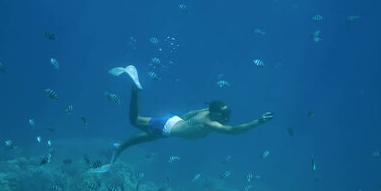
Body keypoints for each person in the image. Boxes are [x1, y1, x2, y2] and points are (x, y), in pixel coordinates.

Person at [97, 65, 273, 170]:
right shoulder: (210, 122)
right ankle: (134, 89)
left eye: (228, 112)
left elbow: (189, 115)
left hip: (170, 123)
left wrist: (181, 124)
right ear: (215, 113)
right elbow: (234, 131)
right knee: (134, 121)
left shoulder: (206, 111)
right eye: (224, 114)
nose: (227, 116)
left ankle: (119, 147)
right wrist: (258, 121)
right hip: (168, 126)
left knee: (146, 137)